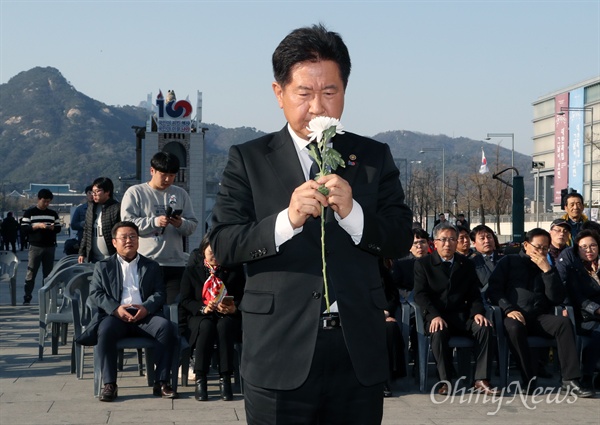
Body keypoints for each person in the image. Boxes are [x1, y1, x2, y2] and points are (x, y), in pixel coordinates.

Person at [209, 24, 413, 424]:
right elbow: (224, 242)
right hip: (278, 350)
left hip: (358, 351)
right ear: (278, 93)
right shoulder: (248, 158)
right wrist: (287, 220)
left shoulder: (372, 157)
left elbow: (400, 238)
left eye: (330, 92)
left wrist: (355, 215)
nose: (318, 107)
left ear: (344, 92)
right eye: (304, 93)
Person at [487, 228, 594, 397]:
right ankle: (528, 379)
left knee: (563, 324)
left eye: (545, 248)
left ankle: (570, 379)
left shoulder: (547, 266)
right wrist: (508, 308)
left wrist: (548, 271)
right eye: (537, 247)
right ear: (526, 245)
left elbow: (557, 298)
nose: (541, 252)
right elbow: (494, 290)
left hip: (538, 317)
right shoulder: (508, 262)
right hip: (514, 315)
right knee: (514, 327)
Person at [87, 221, 178, 402]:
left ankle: (161, 382)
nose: (129, 240)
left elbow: (160, 293)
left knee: (166, 327)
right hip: (116, 315)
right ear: (114, 242)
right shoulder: (103, 266)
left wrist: (147, 307)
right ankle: (110, 384)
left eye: (133, 237)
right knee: (104, 331)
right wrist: (115, 309)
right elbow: (95, 294)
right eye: (124, 237)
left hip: (144, 314)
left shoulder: (151, 265)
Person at [413, 222, 497, 396]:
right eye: (443, 239)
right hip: (437, 316)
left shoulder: (466, 264)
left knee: (484, 327)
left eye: (452, 239)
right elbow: (420, 295)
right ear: (434, 243)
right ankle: (445, 381)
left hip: (461, 315)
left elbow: (474, 293)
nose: (448, 243)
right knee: (438, 332)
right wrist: (434, 315)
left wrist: (477, 313)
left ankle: (481, 379)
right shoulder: (424, 264)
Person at [121, 151, 198, 304]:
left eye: (172, 175)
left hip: (175, 263)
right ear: (152, 171)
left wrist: (180, 223)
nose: (168, 179)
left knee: (172, 308)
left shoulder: (180, 194)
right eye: (164, 175)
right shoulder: (136, 193)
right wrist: (154, 222)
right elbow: (127, 225)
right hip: (145, 262)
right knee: (145, 306)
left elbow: (192, 225)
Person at [180, 234, 245, 401]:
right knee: (206, 326)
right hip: (201, 315)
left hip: (226, 316)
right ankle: (201, 378)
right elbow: (185, 300)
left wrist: (233, 308)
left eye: (219, 251)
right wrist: (203, 308)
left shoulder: (233, 270)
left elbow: (243, 295)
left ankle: (226, 379)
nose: (215, 255)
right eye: (211, 251)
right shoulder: (193, 271)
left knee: (224, 327)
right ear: (203, 251)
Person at [556, 229, 600, 390]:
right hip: (585, 314)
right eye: (584, 247)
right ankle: (587, 375)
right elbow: (578, 297)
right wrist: (596, 310)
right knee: (597, 333)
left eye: (593, 246)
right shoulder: (574, 268)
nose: (589, 250)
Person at [21, 189, 61, 305]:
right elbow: (24, 228)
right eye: (45, 201)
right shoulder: (30, 213)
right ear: (39, 199)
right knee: (31, 272)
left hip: (50, 247)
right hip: (35, 247)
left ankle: (46, 297)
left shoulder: (53, 214)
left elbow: (58, 228)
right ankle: (27, 295)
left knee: (48, 274)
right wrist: (37, 226)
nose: (46, 204)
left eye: (48, 202)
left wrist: (53, 227)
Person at [78, 177, 121, 264]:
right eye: (93, 192)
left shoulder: (117, 208)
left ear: (107, 192)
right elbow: (86, 231)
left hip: (112, 257)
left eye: (97, 191)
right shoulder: (91, 208)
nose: (94, 194)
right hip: (94, 259)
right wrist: (82, 252)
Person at [469, 224, 502, 291]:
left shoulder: (504, 257)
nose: (487, 241)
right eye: (482, 238)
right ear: (474, 243)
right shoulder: (470, 262)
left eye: (489, 237)